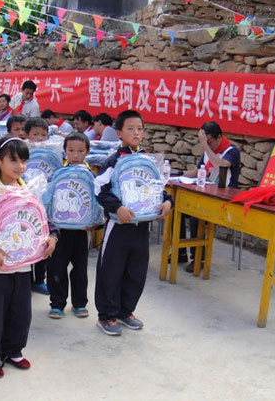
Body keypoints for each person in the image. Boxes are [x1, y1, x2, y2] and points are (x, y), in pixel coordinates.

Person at [0, 136, 59, 378]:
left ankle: (13, 350)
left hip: (23, 266)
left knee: (21, 312)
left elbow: (43, 219)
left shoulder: (29, 190)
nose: (19, 166)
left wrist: (52, 237)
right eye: (13, 160)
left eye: (24, 161)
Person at [93, 110, 173, 336]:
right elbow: (99, 188)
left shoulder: (148, 161)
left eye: (140, 129)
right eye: (130, 129)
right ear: (119, 133)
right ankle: (107, 315)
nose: (136, 133)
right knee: (111, 270)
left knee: (136, 271)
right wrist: (117, 207)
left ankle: (126, 311)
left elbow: (157, 187)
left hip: (141, 226)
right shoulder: (114, 161)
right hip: (119, 227)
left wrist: (167, 202)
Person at [179, 121, 241, 271]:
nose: (208, 146)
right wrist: (176, 174)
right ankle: (181, 252)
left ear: (219, 137)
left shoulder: (232, 151)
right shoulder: (209, 151)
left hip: (223, 199)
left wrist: (205, 146)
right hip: (206, 194)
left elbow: (220, 164)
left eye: (210, 142)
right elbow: (197, 172)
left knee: (195, 215)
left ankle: (198, 258)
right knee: (176, 207)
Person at [47, 132, 92, 320]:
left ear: (87, 152)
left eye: (80, 151)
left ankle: (79, 303)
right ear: (64, 151)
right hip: (60, 230)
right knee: (57, 268)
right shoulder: (58, 175)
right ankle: (57, 304)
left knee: (80, 269)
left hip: (81, 231)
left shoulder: (91, 176)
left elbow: (96, 202)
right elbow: (49, 198)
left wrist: (95, 222)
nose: (75, 155)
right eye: (71, 150)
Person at [24, 117, 51, 295]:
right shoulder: (22, 153)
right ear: (26, 135)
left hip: (44, 205)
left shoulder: (51, 155)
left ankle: (40, 279)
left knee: (42, 242)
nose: (40, 138)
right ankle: (26, 278)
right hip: (25, 204)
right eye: (35, 134)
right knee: (26, 240)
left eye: (43, 135)